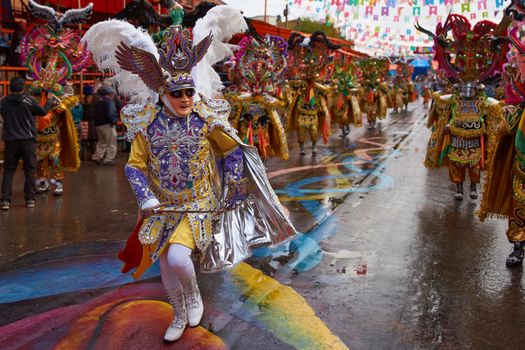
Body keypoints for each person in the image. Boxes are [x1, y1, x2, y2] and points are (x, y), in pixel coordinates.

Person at [84, 7, 296, 343]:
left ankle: (194, 296)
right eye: (177, 93)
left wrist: (233, 185)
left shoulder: (204, 119)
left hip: (198, 202)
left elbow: (233, 149)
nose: (185, 98)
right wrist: (146, 196)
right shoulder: (148, 125)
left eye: (188, 92)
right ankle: (178, 313)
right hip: (163, 206)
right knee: (166, 265)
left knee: (180, 258)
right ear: (162, 93)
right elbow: (134, 166)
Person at [0, 77, 53, 210]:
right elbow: (43, 112)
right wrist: (49, 100)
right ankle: (30, 199)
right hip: (27, 141)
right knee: (29, 170)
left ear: (10, 87)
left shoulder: (3, 102)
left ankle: (5, 200)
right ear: (23, 88)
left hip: (10, 141)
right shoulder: (29, 101)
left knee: (8, 171)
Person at [91, 86, 117, 165]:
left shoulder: (97, 102)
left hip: (98, 124)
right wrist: (113, 121)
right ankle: (109, 159)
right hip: (107, 124)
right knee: (111, 143)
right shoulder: (109, 102)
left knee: (101, 142)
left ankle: (97, 156)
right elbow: (110, 113)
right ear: (109, 94)